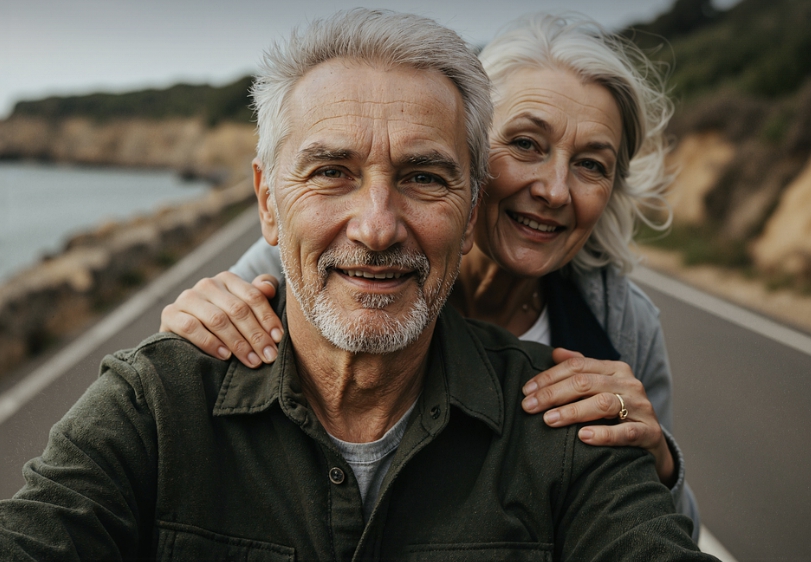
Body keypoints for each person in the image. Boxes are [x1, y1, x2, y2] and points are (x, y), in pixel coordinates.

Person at [0, 9, 714, 560]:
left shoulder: (600, 355)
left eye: (422, 177)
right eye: (525, 144)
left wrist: (652, 453)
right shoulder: (166, 389)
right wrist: (184, 335)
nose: (375, 228)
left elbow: (652, 527)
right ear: (268, 203)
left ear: (465, 203)